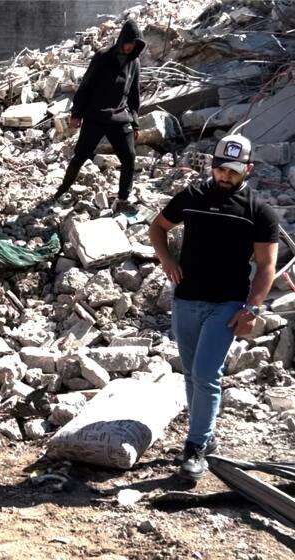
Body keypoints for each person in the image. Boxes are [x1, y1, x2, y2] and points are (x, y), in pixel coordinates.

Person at [148, 134, 278, 481]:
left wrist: (252, 309)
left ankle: (194, 449)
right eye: (220, 169)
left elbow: (266, 266)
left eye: (233, 172)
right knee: (192, 375)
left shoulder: (258, 212)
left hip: (227, 304)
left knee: (207, 374)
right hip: (186, 300)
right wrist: (167, 260)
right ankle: (206, 437)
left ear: (247, 170)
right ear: (212, 166)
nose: (225, 176)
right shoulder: (191, 197)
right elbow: (158, 228)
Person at [54, 20, 146, 211]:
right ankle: (62, 189)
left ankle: (123, 199)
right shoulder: (103, 57)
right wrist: (76, 114)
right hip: (96, 116)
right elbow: (86, 86)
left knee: (129, 158)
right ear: (122, 39)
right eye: (129, 42)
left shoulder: (134, 63)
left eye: (135, 45)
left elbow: (134, 95)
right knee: (80, 156)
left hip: (120, 117)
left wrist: (135, 123)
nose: (130, 47)